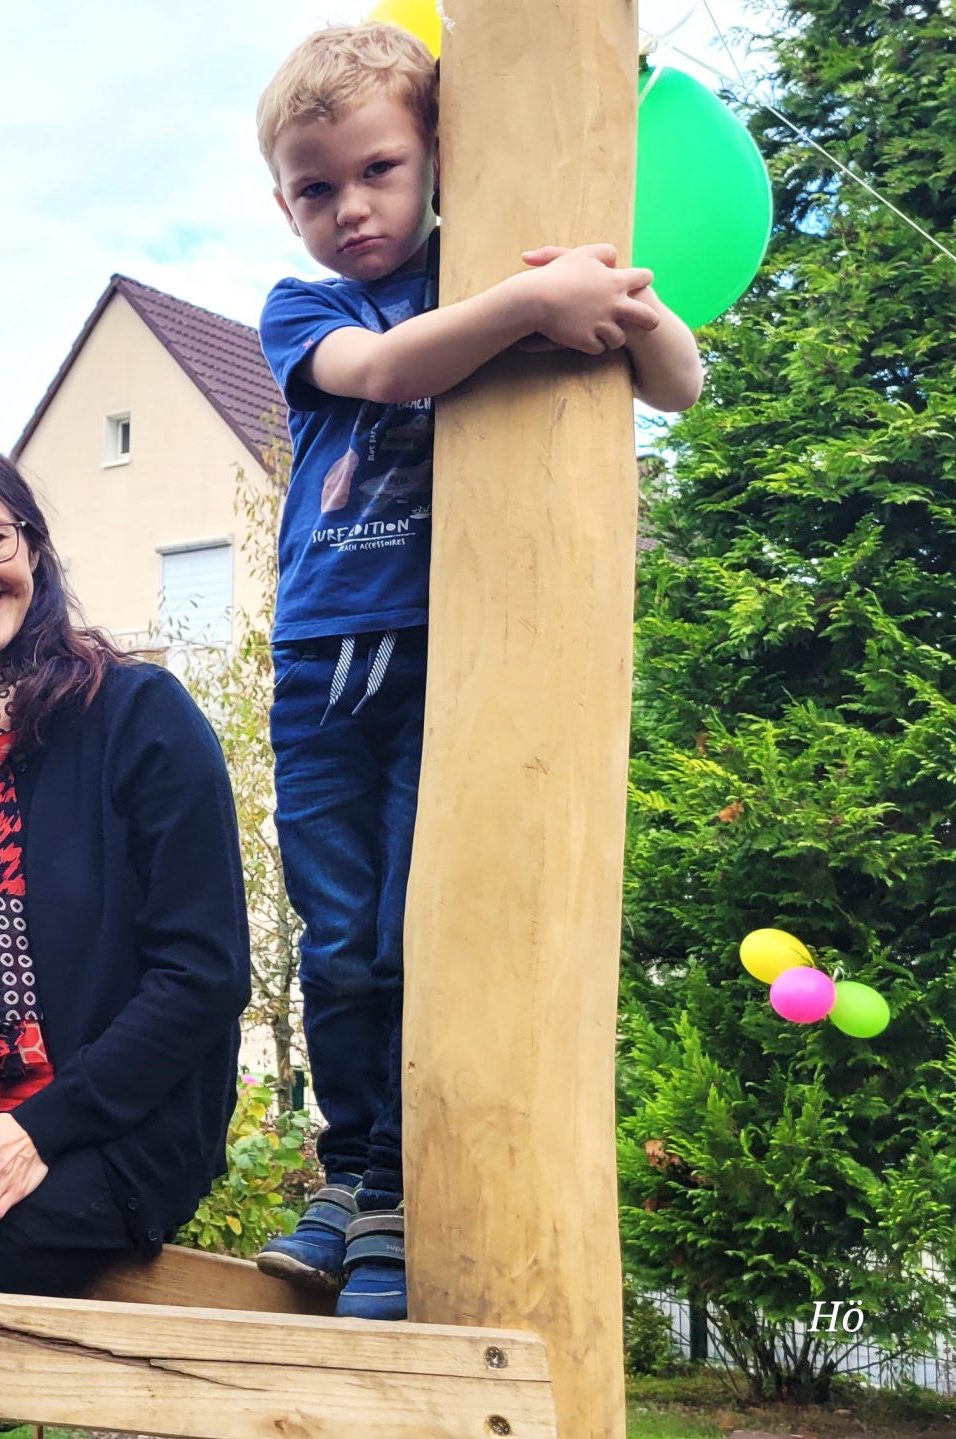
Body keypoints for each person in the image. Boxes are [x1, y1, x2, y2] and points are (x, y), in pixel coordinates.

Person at [248, 23, 703, 1321]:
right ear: (281, 202)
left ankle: (394, 1191)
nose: (351, 210)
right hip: (326, 669)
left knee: (416, 932)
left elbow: (680, 381)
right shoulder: (310, 307)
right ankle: (346, 1182)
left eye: (378, 171)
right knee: (338, 939)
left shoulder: (497, 261)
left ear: (438, 154)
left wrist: (616, 303)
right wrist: (527, 308)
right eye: (314, 189)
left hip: (450, 662)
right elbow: (388, 373)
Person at [0, 434, 252, 1301]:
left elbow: (205, 975)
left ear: (32, 547)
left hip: (119, 1129)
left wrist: (36, 1129)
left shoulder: (142, 716)